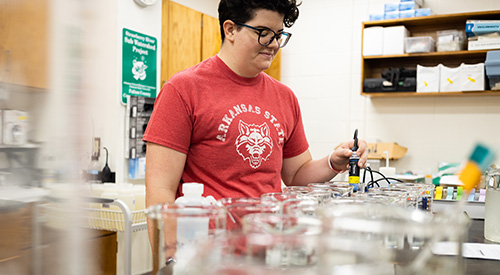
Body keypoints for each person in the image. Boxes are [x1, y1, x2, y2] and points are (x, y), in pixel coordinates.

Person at [143, 0, 367, 257]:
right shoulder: (183, 90)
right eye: (263, 33)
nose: (273, 44)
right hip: (209, 257)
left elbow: (295, 176)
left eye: (279, 35)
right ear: (230, 30)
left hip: (270, 252)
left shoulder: (285, 97)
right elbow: (160, 193)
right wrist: (173, 261)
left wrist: (333, 162)